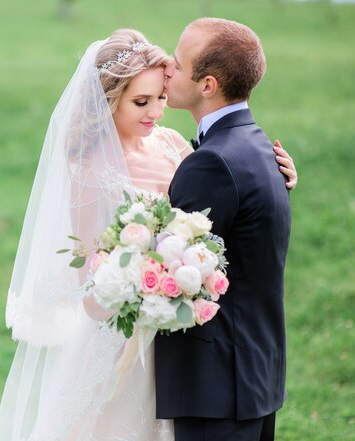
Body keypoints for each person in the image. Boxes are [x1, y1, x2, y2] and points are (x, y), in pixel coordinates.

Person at [0, 28, 296, 441]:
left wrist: (275, 179)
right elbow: (93, 290)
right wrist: (140, 288)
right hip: (122, 343)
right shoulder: (89, 173)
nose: (155, 112)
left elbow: (223, 196)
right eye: (140, 101)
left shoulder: (173, 145)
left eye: (160, 98)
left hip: (184, 343)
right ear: (108, 101)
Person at [154, 18, 291, 441]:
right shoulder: (259, 147)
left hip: (217, 388)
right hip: (254, 377)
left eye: (177, 63)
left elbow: (168, 269)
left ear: (207, 84)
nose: (166, 67)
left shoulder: (212, 163)